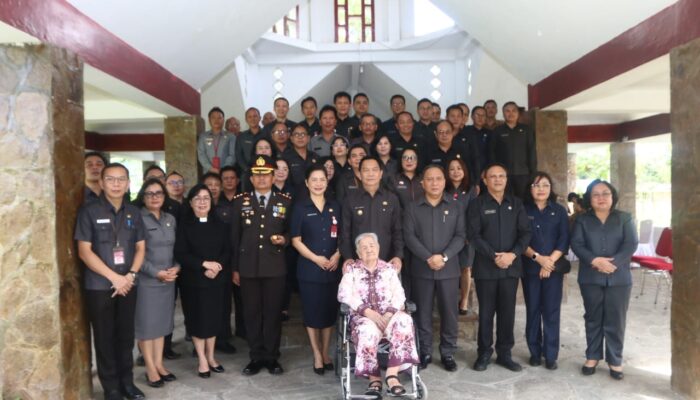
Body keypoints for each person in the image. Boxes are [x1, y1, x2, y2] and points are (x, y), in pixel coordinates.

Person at [75, 162, 146, 400]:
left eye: (121, 179)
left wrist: (131, 276)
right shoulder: (89, 211)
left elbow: (140, 248)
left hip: (128, 284)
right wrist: (115, 277)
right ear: (102, 182)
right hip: (99, 287)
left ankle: (127, 382)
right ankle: (112, 388)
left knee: (126, 337)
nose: (116, 184)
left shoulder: (134, 212)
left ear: (128, 184)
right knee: (105, 338)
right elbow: (85, 252)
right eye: (111, 179)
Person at [571, 179, 638, 380]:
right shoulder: (582, 220)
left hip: (619, 278)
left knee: (616, 319)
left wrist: (613, 263)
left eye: (605, 193)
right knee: (593, 317)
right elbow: (577, 244)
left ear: (612, 196)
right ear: (589, 199)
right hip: (590, 277)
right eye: (596, 194)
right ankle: (592, 356)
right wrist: (595, 260)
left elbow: (630, 244)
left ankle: (615, 359)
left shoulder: (624, 218)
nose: (601, 198)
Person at [337, 233, 419, 397]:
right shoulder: (352, 270)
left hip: (389, 316)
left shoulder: (389, 269)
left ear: (379, 248)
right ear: (358, 253)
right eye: (364, 247)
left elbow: (399, 295)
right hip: (364, 318)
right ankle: (374, 379)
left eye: (372, 246)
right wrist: (367, 312)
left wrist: (388, 314)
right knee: (366, 330)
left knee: (404, 320)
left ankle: (391, 375)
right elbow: (344, 294)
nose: (369, 250)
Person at [231, 155, 292, 376]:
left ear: (273, 176)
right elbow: (234, 238)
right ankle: (256, 356)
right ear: (252, 178)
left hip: (274, 267)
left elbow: (290, 232)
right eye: (257, 175)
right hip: (247, 268)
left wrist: (283, 240)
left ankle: (272, 357)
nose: (262, 179)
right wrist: (235, 268)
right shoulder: (240, 201)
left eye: (266, 174)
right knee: (252, 313)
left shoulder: (284, 201)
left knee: (273, 313)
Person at [467, 163, 531, 373]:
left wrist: (512, 254)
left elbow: (525, 233)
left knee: (507, 312)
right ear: (485, 180)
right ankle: (484, 352)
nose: (497, 180)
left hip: (510, 267)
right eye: (492, 176)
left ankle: (505, 354)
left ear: (506, 179)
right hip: (486, 267)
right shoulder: (477, 204)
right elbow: (473, 235)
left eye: (501, 176)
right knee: (486, 313)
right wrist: (494, 256)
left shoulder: (517, 203)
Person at [403, 165, 466, 372]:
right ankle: (425, 351)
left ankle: (448, 352)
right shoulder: (413, 207)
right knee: (422, 313)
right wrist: (428, 257)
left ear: (444, 181)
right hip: (422, 268)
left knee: (449, 313)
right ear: (422, 183)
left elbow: (460, 236)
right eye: (429, 179)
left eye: (438, 179)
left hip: (448, 270)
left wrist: (444, 256)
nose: (434, 183)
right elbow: (409, 237)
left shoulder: (455, 206)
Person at [290, 165, 342, 375]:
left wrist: (338, 255)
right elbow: (295, 240)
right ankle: (317, 354)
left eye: (322, 179)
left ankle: (326, 352)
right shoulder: (300, 208)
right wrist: (315, 258)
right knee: (312, 313)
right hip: (309, 270)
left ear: (327, 182)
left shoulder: (336, 206)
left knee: (329, 314)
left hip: (332, 268)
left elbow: (343, 236)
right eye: (314, 180)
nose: (319, 183)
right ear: (307, 183)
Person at [174, 184, 228, 378]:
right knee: (197, 320)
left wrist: (217, 266)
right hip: (193, 280)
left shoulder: (220, 224)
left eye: (206, 198)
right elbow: (180, 253)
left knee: (213, 319)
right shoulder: (184, 226)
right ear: (191, 203)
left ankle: (211, 357)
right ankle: (202, 359)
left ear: (211, 202)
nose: (202, 202)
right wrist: (205, 264)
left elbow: (227, 250)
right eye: (198, 198)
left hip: (216, 279)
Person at [133, 178, 179, 388]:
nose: (155, 197)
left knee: (161, 326)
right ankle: (150, 368)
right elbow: (136, 254)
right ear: (143, 197)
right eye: (150, 193)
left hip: (167, 280)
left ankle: (159, 364)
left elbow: (176, 249)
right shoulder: (137, 218)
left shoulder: (170, 219)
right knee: (146, 327)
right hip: (146, 281)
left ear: (164, 196)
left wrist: (176, 268)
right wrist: (156, 272)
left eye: (158, 193)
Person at [521, 172, 569, 370]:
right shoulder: (522, 210)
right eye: (536, 185)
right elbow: (520, 240)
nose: (541, 189)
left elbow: (564, 239)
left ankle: (550, 355)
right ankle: (534, 352)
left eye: (545, 185)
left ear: (551, 189)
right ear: (530, 188)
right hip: (531, 267)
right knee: (533, 310)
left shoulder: (559, 211)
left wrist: (549, 262)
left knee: (551, 312)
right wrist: (539, 259)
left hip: (553, 269)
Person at [340, 156, 403, 272]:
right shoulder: (350, 200)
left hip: (388, 263)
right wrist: (348, 257)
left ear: (381, 173)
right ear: (359, 174)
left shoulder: (392, 199)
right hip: (358, 264)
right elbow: (345, 232)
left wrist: (398, 256)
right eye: (366, 170)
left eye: (374, 170)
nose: (370, 174)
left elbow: (397, 230)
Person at [389, 147, 424, 301]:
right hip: (400, 229)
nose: (409, 161)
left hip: (422, 231)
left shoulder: (424, 179)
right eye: (405, 157)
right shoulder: (393, 179)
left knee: (418, 269)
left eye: (412, 158)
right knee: (402, 269)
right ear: (400, 161)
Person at [445, 158, 478, 316]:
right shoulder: (444, 189)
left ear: (464, 171)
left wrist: (467, 234)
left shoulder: (471, 189)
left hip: (466, 236)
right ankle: (450, 300)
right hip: (447, 235)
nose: (456, 171)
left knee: (466, 267)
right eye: (452, 169)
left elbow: (473, 214)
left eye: (459, 168)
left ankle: (464, 300)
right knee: (449, 267)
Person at [488, 101, 537, 199]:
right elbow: (491, 152)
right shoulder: (497, 131)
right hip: (503, 175)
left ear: (518, 113)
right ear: (503, 113)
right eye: (507, 111)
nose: (511, 113)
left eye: (514, 111)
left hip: (523, 174)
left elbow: (531, 152)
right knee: (505, 199)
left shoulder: (527, 130)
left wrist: (533, 173)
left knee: (523, 201)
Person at [198, 107, 236, 174]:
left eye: (219, 118)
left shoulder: (230, 136)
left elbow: (232, 155)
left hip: (225, 173)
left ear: (223, 120)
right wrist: (210, 168)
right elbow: (201, 154)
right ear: (209, 120)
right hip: (208, 172)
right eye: (213, 118)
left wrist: (223, 169)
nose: (216, 120)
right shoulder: (203, 136)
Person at [284, 124, 318, 195]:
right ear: (291, 138)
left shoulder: (315, 157)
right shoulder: (285, 158)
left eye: (303, 134)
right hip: (293, 198)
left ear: (308, 138)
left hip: (314, 195)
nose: (300, 137)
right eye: (296, 134)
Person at [235, 107, 266, 178]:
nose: (253, 119)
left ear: (260, 118)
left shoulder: (267, 134)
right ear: (246, 119)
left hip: (265, 172)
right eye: (250, 117)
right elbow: (239, 156)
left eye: (255, 116)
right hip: (247, 174)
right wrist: (248, 169)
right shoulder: (241, 136)